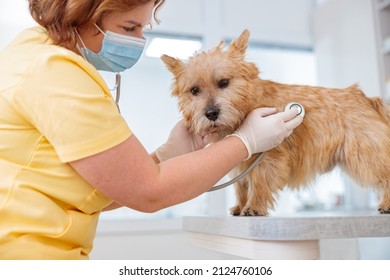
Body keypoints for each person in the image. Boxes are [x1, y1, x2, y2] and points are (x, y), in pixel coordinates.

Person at [0, 0, 303, 260]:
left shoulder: (31, 51)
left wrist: (166, 155)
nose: (138, 40)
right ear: (84, 14)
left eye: (143, 28)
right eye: (130, 27)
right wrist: (244, 142)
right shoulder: (55, 71)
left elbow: (110, 190)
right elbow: (148, 193)